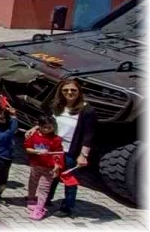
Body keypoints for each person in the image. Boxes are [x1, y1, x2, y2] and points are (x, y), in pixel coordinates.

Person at [42, 79, 97, 217]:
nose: (69, 93)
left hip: (70, 151)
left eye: (73, 90)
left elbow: (88, 135)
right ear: (60, 91)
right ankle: (46, 199)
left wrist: (83, 155)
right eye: (65, 90)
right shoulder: (56, 105)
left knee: (68, 179)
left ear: (79, 92)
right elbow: (48, 123)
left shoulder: (87, 110)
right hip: (54, 149)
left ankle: (67, 207)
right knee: (52, 175)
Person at [24, 115, 64, 221]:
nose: (47, 130)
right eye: (44, 127)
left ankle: (40, 208)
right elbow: (27, 148)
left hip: (49, 168)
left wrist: (57, 166)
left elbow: (58, 154)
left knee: (44, 188)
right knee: (32, 182)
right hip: (35, 164)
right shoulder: (33, 135)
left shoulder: (56, 139)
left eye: (50, 127)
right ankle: (31, 199)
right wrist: (37, 151)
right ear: (39, 126)